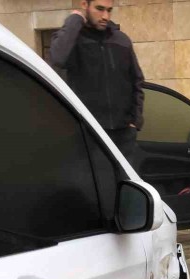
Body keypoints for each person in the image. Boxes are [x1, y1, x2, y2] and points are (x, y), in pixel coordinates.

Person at [49, 0, 144, 164]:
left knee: (126, 180)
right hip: (88, 136)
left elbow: (137, 80)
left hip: (123, 137)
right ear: (84, 5)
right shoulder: (72, 39)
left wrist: (135, 121)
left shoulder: (122, 40)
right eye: (99, 9)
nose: (105, 16)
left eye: (109, 10)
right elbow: (57, 58)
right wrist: (74, 20)